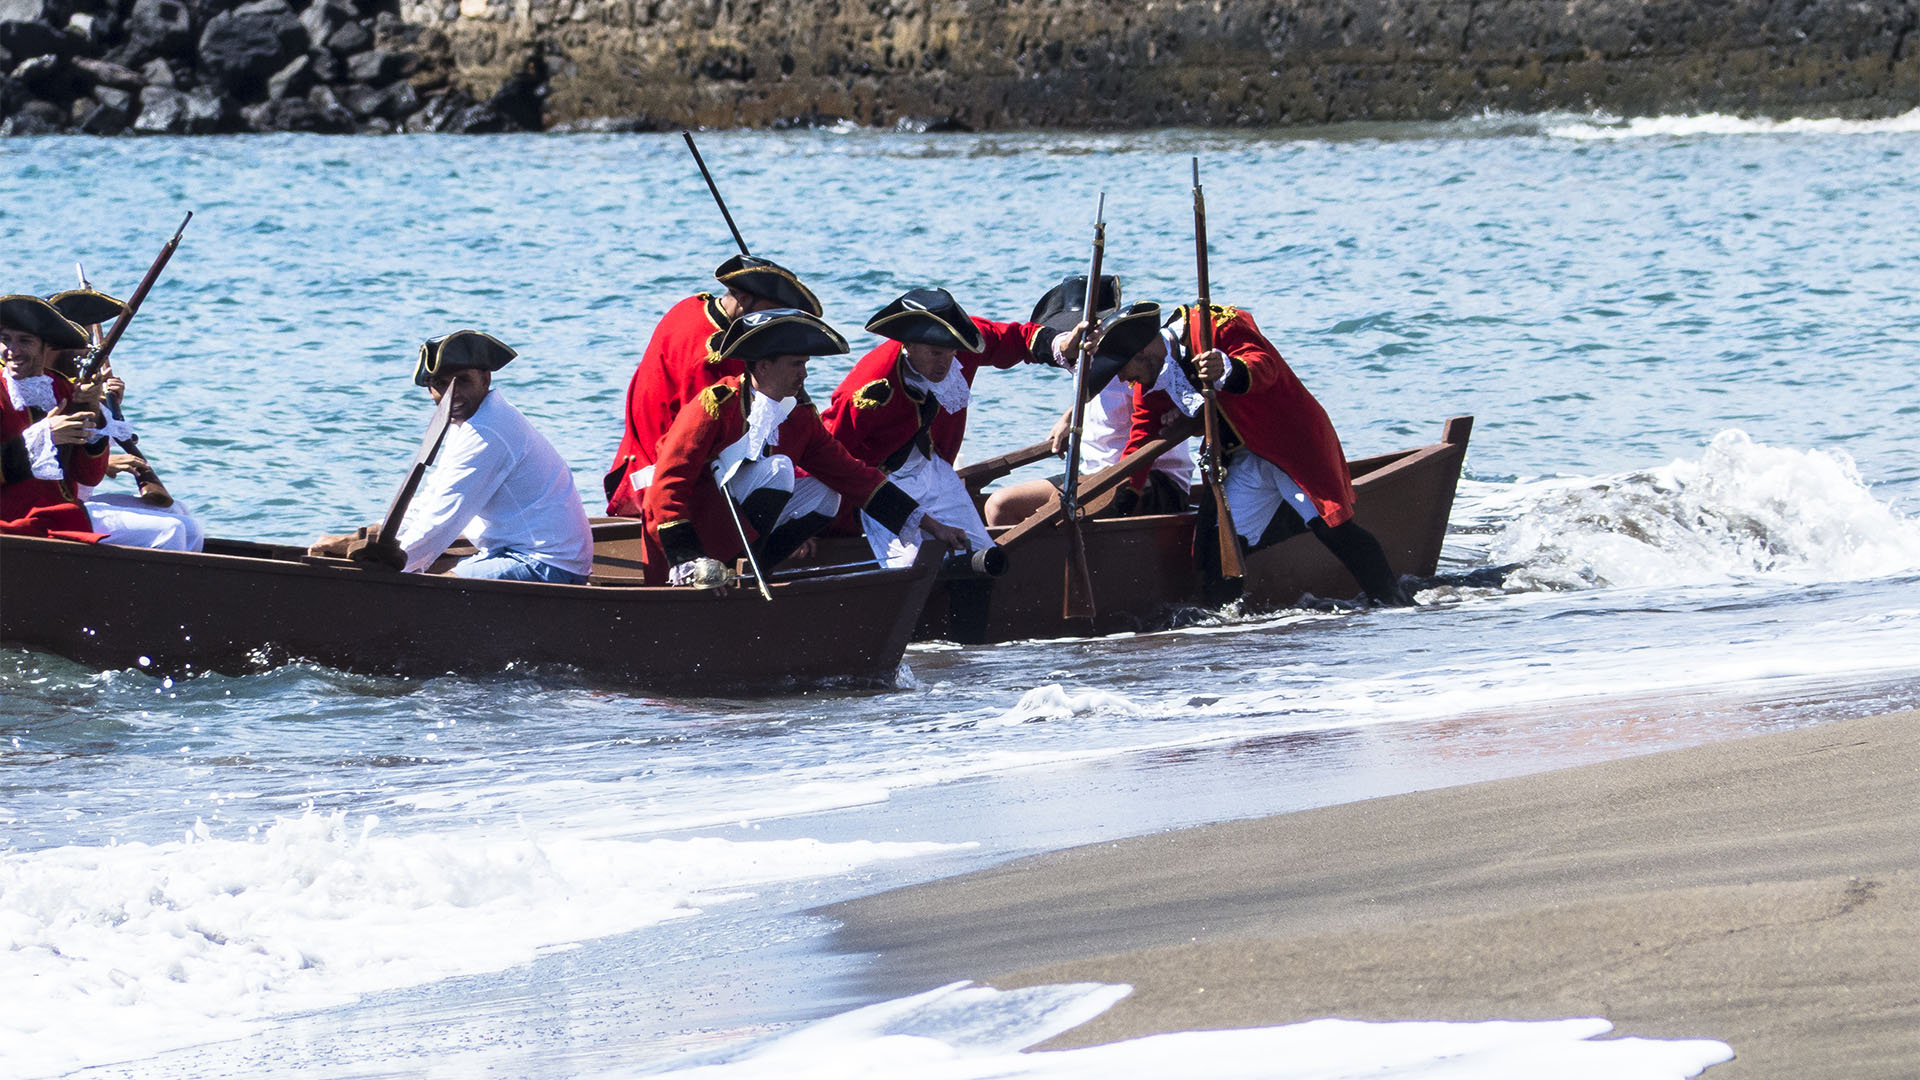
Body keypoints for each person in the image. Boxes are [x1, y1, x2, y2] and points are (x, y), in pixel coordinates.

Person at [1085, 299, 1413, 607]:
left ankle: (1394, 604)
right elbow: (1142, 436)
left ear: (1142, 353)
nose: (1124, 379)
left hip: (1288, 446)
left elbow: (1264, 367)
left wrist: (1226, 368)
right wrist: (1127, 496)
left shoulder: (1214, 328)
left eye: (1122, 368)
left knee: (1334, 529)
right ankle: (1228, 632)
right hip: (1238, 458)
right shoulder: (1149, 381)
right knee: (1218, 551)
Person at [644, 308, 969, 586]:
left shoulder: (798, 419)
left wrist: (930, 524)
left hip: (736, 530)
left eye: (805, 364)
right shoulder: (713, 407)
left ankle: (752, 570)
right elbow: (667, 486)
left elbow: (855, 477)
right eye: (796, 365)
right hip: (688, 531)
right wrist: (687, 561)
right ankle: (731, 565)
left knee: (827, 493)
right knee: (780, 470)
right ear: (762, 366)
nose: (805, 374)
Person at [819, 287, 1080, 568]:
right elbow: (829, 455)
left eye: (950, 352)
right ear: (909, 344)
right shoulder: (869, 387)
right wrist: (824, 526)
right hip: (882, 485)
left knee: (980, 557)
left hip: (934, 470)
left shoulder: (963, 342)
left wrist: (1063, 345)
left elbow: (1015, 339)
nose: (945, 362)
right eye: (935, 353)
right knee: (910, 570)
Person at [309, 331, 594, 583]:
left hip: (546, 565)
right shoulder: (472, 423)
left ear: (485, 379)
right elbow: (428, 504)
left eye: (462, 381)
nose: (451, 393)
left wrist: (388, 571)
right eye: (441, 384)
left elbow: (441, 519)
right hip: (514, 554)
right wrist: (360, 539)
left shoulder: (488, 430)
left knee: (440, 594)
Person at [604, 255, 821, 516]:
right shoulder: (710, 356)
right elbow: (701, 444)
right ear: (743, 300)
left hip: (671, 470)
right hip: (661, 484)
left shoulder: (692, 307)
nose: (776, 325)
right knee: (779, 472)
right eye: (771, 314)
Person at [982, 274, 1196, 527]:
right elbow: (1099, 399)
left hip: (1151, 479)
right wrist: (1070, 415)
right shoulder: (1083, 365)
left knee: (1059, 503)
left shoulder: (1133, 365)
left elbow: (1157, 412)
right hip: (1092, 476)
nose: (1068, 342)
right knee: (1000, 505)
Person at [45, 287, 203, 552]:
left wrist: (109, 405)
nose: (87, 350)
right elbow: (42, 455)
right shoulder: (42, 388)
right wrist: (108, 462)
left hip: (77, 501)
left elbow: (91, 457)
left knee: (185, 519)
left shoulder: (70, 387)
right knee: (170, 530)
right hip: (53, 509)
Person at [1, 294, 111, 538]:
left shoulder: (62, 388)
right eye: (5, 340)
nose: (12, 351)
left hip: (63, 516)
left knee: (183, 529)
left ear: (46, 345)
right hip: (12, 523)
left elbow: (90, 476)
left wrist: (91, 410)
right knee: (172, 531)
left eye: (25, 341)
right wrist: (43, 436)